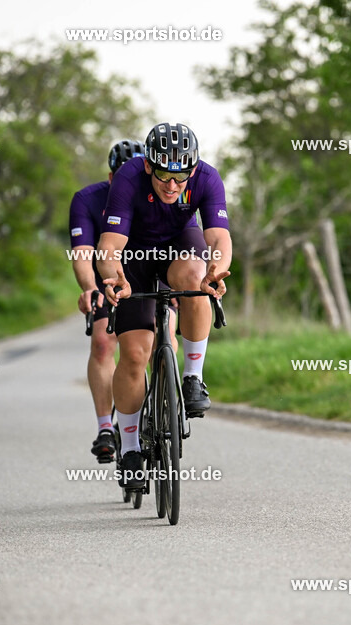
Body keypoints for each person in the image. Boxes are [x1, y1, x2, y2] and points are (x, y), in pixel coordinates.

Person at [96, 122, 231, 488]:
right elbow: (109, 245)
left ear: (193, 169)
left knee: (196, 279)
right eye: (163, 176)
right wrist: (114, 277)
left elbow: (219, 237)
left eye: (181, 177)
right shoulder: (129, 178)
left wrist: (216, 270)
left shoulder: (207, 178)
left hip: (179, 244)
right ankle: (130, 449)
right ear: (148, 165)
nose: (172, 186)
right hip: (135, 256)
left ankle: (193, 378)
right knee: (135, 354)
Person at [68, 139, 149, 463]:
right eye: (122, 174)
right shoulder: (88, 200)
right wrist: (90, 287)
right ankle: (106, 427)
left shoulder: (157, 194)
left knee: (164, 338)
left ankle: (159, 407)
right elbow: (82, 254)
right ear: (111, 176)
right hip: (109, 277)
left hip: (150, 274)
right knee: (103, 342)